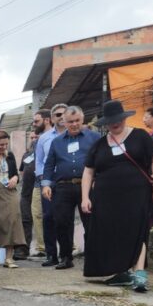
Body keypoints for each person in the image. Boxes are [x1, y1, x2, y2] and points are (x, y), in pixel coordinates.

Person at [81, 100, 153, 292]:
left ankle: (140, 276)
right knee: (112, 233)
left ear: (124, 118)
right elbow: (88, 172)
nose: (115, 123)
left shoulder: (140, 136)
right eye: (110, 121)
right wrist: (85, 197)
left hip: (136, 194)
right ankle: (121, 271)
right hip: (105, 199)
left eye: (117, 119)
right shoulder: (99, 144)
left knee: (138, 230)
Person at [41, 106, 101, 270]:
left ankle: (92, 256)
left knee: (90, 221)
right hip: (63, 187)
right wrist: (46, 184)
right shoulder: (56, 142)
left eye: (77, 121)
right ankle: (66, 257)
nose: (74, 124)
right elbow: (48, 165)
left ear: (82, 120)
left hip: (87, 186)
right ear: (64, 122)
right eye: (70, 121)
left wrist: (98, 179)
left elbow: (102, 160)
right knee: (61, 222)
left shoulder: (95, 137)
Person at [35, 104, 68, 266]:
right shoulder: (45, 137)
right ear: (52, 118)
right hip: (49, 181)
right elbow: (39, 160)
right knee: (48, 217)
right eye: (57, 115)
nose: (61, 117)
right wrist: (43, 178)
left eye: (64, 114)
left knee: (64, 218)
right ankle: (51, 255)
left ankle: (65, 255)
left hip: (67, 181)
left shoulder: (75, 135)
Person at [0, 131, 26, 269]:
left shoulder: (9, 155)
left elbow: (15, 173)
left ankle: (9, 258)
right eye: (0, 144)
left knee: (13, 220)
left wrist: (15, 178)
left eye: (6, 144)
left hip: (9, 190)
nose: (4, 147)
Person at [19, 109, 52, 259]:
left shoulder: (53, 137)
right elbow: (24, 169)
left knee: (54, 215)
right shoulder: (28, 152)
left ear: (46, 120)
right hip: (35, 186)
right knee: (35, 215)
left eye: (36, 121)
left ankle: (67, 247)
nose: (34, 125)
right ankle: (41, 247)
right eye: (31, 137)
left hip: (51, 181)